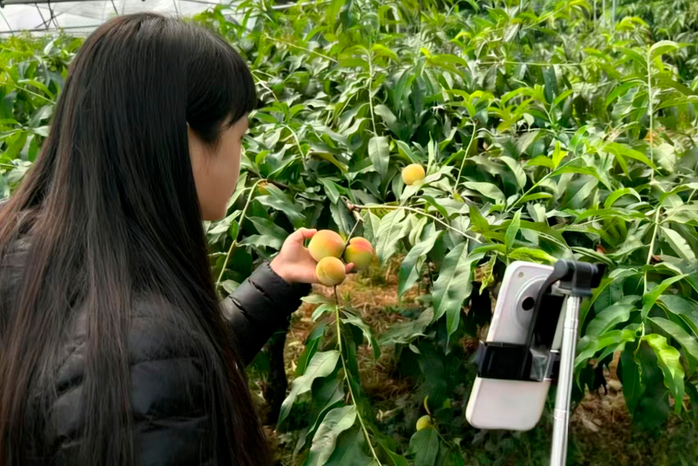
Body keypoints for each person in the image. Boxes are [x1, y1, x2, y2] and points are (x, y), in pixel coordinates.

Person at [0, 13, 351, 466]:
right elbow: (151, 373)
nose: (241, 156)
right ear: (182, 142)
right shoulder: (137, 347)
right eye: (239, 136)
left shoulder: (31, 250)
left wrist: (276, 281)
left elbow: (160, 376)